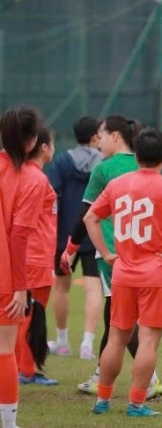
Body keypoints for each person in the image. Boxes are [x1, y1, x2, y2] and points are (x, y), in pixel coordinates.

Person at [84, 129, 162, 418]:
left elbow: (90, 217)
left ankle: (103, 400)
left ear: (137, 155)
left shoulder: (118, 184)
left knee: (117, 338)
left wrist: (106, 253)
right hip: (156, 274)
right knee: (148, 340)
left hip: (123, 273)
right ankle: (135, 404)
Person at [58, 115, 162, 398]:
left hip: (113, 255)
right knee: (115, 316)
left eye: (101, 136)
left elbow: (86, 215)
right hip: (148, 257)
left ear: (116, 137)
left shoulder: (104, 169)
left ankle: (150, 379)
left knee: (121, 321)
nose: (99, 142)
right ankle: (100, 376)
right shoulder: (146, 167)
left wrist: (70, 249)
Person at [0, 107, 47, 428]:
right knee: (4, 349)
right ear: (31, 141)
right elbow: (18, 236)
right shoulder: (33, 179)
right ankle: (8, 421)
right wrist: (20, 286)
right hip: (6, 277)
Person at [46, 116, 103, 359]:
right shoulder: (104, 164)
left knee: (61, 288)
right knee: (93, 289)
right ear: (94, 137)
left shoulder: (61, 162)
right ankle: (87, 345)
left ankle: (62, 341)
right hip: (94, 233)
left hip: (63, 236)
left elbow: (52, 195)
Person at [17, 127, 58, 386]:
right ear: (43, 147)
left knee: (29, 311)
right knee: (30, 312)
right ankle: (26, 369)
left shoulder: (30, 175)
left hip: (37, 254)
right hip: (35, 255)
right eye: (52, 143)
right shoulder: (35, 178)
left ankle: (25, 367)